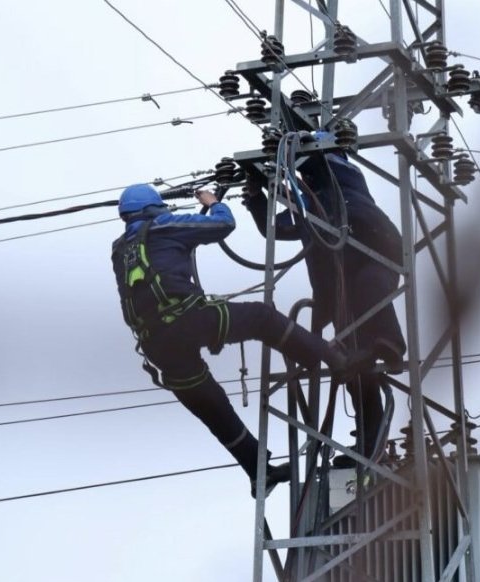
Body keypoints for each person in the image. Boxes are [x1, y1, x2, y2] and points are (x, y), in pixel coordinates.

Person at [111, 183, 367, 497]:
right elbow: (223, 224)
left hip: (155, 344)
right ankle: (335, 360)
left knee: (210, 405)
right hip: (188, 319)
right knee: (262, 317)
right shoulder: (165, 225)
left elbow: (164, 261)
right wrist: (213, 202)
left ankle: (258, 472)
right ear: (154, 206)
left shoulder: (121, 247)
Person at [243, 143, 406, 464]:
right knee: (351, 364)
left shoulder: (343, 178)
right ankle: (367, 444)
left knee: (369, 292)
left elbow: (322, 166)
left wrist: (286, 157)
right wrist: (256, 193)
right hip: (337, 279)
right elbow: (273, 228)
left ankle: (388, 345)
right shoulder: (310, 209)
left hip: (374, 251)